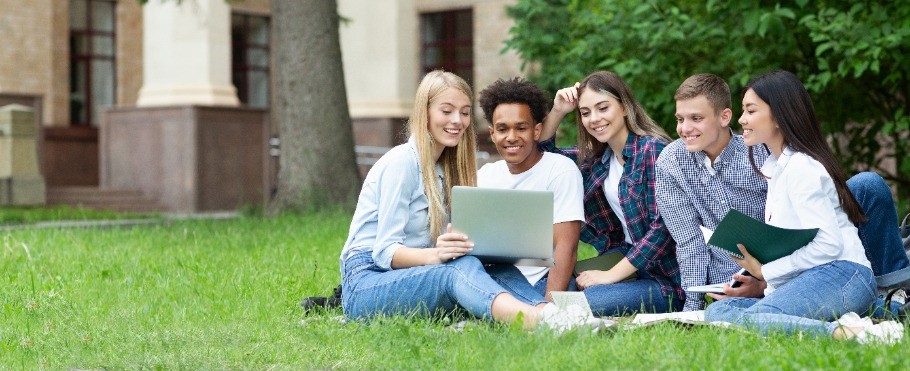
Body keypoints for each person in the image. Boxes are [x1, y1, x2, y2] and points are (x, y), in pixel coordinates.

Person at [339, 70, 596, 330]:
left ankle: (554, 314)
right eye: (447, 111)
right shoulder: (402, 162)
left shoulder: (448, 169)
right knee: (455, 271)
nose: (457, 121)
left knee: (492, 266)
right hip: (366, 281)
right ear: (424, 112)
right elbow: (384, 253)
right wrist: (438, 254)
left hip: (414, 276)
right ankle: (537, 322)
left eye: (464, 112)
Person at [657, 73, 910, 313]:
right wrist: (692, 306)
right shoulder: (672, 162)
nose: (684, 128)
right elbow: (689, 241)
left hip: (801, 265)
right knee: (725, 312)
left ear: (724, 117)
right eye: (680, 119)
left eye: (696, 119)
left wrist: (766, 278)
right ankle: (875, 309)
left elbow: (813, 232)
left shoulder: (768, 152)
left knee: (867, 185)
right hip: (748, 276)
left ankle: (893, 291)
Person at [540, 71, 683, 316]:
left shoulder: (652, 150)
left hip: (665, 279)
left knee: (580, 303)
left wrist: (609, 276)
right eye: (586, 113)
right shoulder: (599, 159)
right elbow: (544, 154)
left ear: (624, 107)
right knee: (549, 287)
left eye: (603, 108)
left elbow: (663, 230)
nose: (594, 119)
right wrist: (558, 111)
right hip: (621, 258)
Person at [476, 77, 584, 301]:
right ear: (492, 133)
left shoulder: (560, 169)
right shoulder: (485, 175)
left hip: (540, 282)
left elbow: (566, 247)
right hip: (492, 277)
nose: (511, 137)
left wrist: (549, 304)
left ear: (536, 131)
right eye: (502, 129)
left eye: (521, 128)